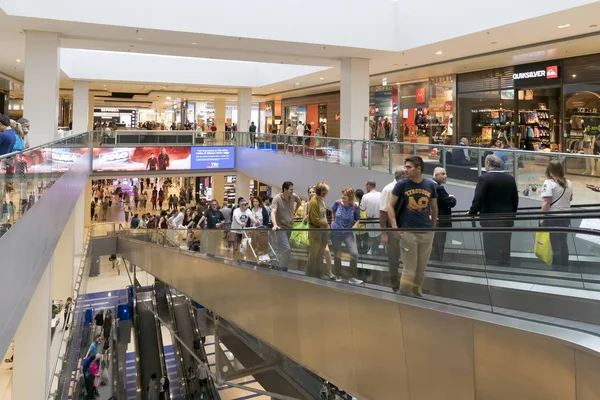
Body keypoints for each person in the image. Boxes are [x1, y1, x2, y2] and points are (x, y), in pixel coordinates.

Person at [387, 156, 438, 297]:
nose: (406, 169)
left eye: (409, 167)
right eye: (406, 166)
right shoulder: (402, 184)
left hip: (426, 232)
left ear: (419, 169)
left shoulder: (430, 185)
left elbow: (434, 207)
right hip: (408, 232)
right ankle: (404, 295)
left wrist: (433, 228)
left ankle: (417, 292)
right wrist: (395, 227)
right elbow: (390, 206)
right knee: (409, 269)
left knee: (421, 269)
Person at [468, 154, 519, 267]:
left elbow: (478, 198)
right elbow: (515, 199)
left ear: (488, 164)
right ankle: (505, 263)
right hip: (507, 218)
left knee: (490, 242)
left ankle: (491, 265)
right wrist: (512, 214)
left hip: (489, 218)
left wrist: (472, 213)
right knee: (505, 243)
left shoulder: (484, 178)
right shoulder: (510, 179)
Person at [540, 160, 573, 269]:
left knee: (554, 242)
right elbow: (570, 198)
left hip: (553, 216)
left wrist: (542, 217)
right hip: (566, 216)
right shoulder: (569, 182)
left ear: (549, 170)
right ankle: (564, 264)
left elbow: (547, 201)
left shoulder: (548, 183)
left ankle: (557, 266)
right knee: (563, 241)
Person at [379, 166, 407, 292]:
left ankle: (405, 283)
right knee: (393, 258)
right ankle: (395, 284)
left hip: (406, 228)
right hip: (392, 229)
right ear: (402, 176)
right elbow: (383, 212)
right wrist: (384, 233)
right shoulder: (389, 189)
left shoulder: (408, 187)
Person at [330, 187, 363, 285]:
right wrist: (332, 220)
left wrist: (356, 225)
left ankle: (352, 277)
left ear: (350, 197)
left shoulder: (354, 206)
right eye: (342, 195)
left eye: (345, 196)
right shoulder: (337, 203)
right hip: (336, 232)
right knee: (337, 254)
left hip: (348, 233)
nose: (342, 198)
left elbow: (358, 218)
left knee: (354, 253)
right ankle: (338, 275)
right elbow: (332, 210)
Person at [271, 181, 302, 270]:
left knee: (285, 249)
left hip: (290, 226)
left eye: (293, 189)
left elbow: (299, 203)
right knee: (287, 249)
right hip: (281, 228)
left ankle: (283, 266)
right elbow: (273, 212)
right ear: (284, 189)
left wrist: (294, 212)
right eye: (291, 189)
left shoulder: (293, 196)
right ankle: (281, 267)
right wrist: (275, 225)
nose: (292, 191)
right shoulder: (277, 198)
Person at [431, 167, 456, 262]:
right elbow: (451, 202)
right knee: (439, 241)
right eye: (442, 174)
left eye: (445, 174)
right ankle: (437, 260)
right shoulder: (438, 188)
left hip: (435, 219)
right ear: (436, 175)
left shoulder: (431, 185)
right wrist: (452, 197)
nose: (445, 176)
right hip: (440, 220)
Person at [307, 182, 331, 278]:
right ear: (323, 192)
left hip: (322, 232)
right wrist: (326, 224)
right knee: (314, 254)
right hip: (315, 232)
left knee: (320, 254)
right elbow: (314, 219)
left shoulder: (321, 201)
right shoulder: (314, 202)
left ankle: (318, 273)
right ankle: (311, 275)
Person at [360, 180, 382, 255]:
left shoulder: (365, 196)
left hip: (369, 220)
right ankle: (376, 250)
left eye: (366, 185)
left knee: (371, 237)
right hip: (380, 220)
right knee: (379, 236)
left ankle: (372, 252)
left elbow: (362, 209)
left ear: (368, 185)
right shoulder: (381, 195)